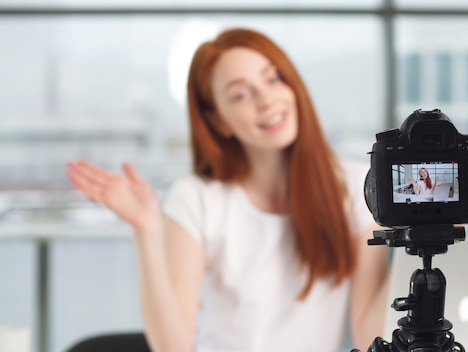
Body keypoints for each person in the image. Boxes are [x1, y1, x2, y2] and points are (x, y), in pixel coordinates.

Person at [65, 28, 389, 352]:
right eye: (240, 95)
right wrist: (147, 229)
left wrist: (414, 240)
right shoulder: (197, 198)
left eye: (273, 79)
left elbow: (370, 338)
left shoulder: (357, 188)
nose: (266, 100)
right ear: (218, 120)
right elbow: (172, 347)